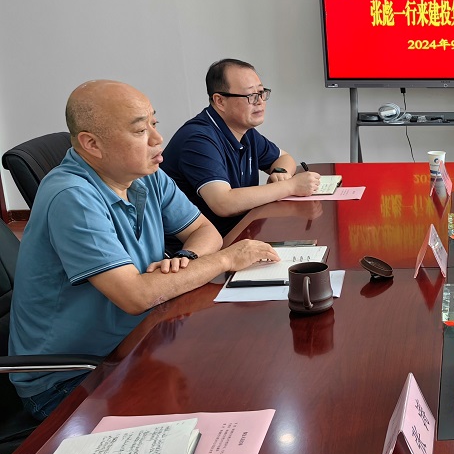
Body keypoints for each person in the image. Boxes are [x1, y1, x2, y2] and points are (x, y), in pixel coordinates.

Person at [8, 80, 279, 419]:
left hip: (138, 339)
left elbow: (203, 230)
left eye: (154, 123)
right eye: (140, 131)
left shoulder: (145, 174)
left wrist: (186, 259)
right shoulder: (72, 196)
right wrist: (225, 259)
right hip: (72, 378)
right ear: (91, 144)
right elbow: (135, 296)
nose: (157, 138)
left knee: (244, 369)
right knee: (218, 401)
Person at [162, 58, 322, 235]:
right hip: (201, 245)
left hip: (241, 232)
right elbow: (223, 203)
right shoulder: (198, 140)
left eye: (261, 92)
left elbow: (283, 158)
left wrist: (280, 173)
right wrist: (290, 187)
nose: (260, 101)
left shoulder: (244, 131)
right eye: (250, 96)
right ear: (220, 101)